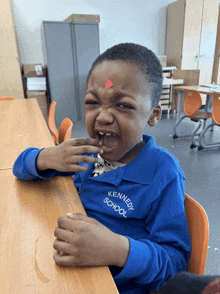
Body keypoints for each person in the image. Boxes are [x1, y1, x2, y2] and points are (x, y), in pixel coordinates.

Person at [13, 43, 191, 294]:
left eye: (123, 105)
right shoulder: (86, 153)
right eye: (92, 102)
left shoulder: (163, 173)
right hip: (63, 267)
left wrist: (119, 250)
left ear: (153, 115)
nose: (103, 116)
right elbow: (19, 167)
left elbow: (175, 263)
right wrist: (46, 157)